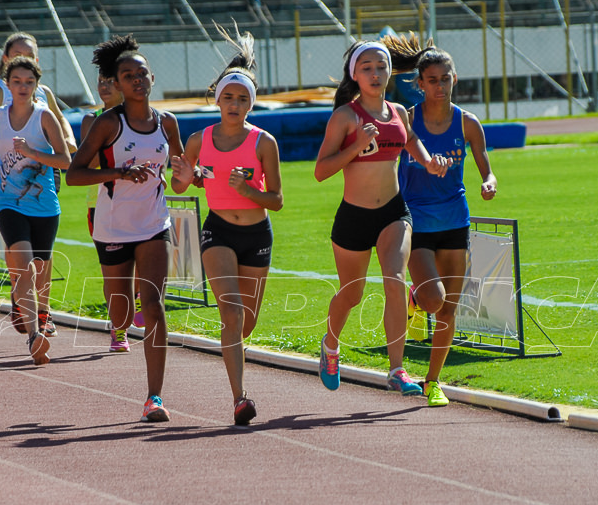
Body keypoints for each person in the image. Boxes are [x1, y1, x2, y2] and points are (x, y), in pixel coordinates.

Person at [314, 34, 448, 395]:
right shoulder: (345, 117)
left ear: (390, 73)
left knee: (395, 279)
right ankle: (330, 344)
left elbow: (410, 141)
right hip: (353, 218)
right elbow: (321, 171)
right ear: (354, 75)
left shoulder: (399, 113)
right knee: (352, 293)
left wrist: (428, 161)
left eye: (381, 67)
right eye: (366, 68)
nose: (375, 74)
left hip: (393, 212)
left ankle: (397, 369)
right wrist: (356, 146)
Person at [171, 26, 282, 427]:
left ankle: (233, 353)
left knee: (246, 321)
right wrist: (184, 174)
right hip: (218, 230)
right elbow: (181, 183)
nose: (234, 105)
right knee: (232, 315)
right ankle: (240, 399)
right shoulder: (200, 139)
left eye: (242, 99)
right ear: (217, 100)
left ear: (251, 104)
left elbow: (278, 200)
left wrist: (249, 189)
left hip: (257, 233)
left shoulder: (264, 142)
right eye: (228, 97)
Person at [67, 35, 182, 422]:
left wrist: (190, 174)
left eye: (141, 73)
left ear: (152, 77)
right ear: (116, 83)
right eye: (127, 75)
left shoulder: (167, 123)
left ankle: (155, 397)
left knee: (154, 306)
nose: (136, 80)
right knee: (121, 313)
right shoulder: (107, 124)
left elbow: (179, 174)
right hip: (114, 228)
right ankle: (119, 325)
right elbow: (74, 175)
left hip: (154, 224)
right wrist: (118, 172)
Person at [399, 46, 497, 407]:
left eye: (445, 79)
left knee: (447, 311)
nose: (440, 86)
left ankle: (433, 381)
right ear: (420, 84)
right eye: (432, 81)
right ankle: (414, 296)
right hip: (417, 219)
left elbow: (484, 161)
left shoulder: (467, 122)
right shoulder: (406, 121)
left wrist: (489, 181)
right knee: (432, 298)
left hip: (455, 218)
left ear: (454, 79)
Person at [0, 32, 76, 339]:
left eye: (29, 80)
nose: (23, 86)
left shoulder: (44, 105)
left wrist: (40, 151)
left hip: (43, 190)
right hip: (7, 194)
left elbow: (63, 145)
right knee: (24, 262)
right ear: (6, 70)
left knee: (41, 262)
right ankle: (35, 332)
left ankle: (38, 307)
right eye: (17, 81)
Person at [79, 70, 140, 352]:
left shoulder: (140, 118)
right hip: (102, 203)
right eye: (100, 82)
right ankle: (119, 330)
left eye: (109, 82)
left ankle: (139, 302)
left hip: (140, 201)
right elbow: (85, 163)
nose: (103, 87)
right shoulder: (92, 121)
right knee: (113, 274)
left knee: (142, 264)